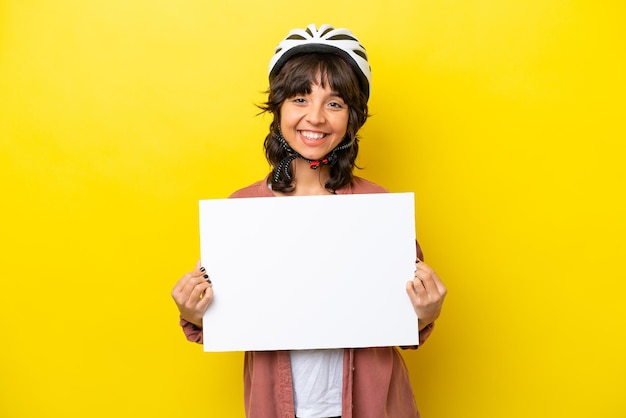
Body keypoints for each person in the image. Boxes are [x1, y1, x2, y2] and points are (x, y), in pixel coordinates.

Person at [171, 23, 447, 418]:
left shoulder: (379, 208)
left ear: (352, 118)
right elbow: (224, 317)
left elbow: (405, 326)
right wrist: (195, 313)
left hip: (373, 407)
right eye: (300, 99)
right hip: (276, 406)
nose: (315, 117)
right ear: (279, 108)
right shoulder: (242, 210)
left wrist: (427, 311)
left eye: (334, 104)